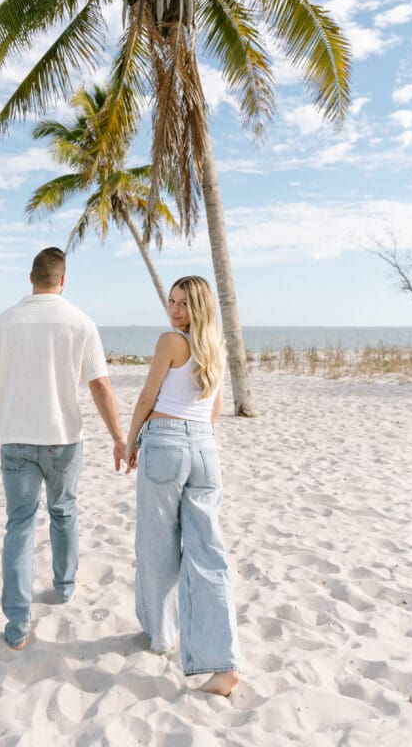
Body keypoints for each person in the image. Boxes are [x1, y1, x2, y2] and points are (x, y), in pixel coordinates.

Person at [0, 246, 126, 650]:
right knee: (64, 512)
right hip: (64, 439)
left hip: (17, 439)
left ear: (30, 277)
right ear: (63, 280)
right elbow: (100, 385)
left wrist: (4, 418)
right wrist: (118, 437)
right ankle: (64, 587)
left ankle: (18, 625)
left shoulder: (3, 322)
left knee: (20, 526)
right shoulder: (80, 322)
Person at [124, 275, 241, 696]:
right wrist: (195, 440)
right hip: (206, 451)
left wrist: (130, 441)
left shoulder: (171, 342)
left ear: (199, 307)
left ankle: (162, 636)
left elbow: (146, 398)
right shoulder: (216, 347)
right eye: (171, 302)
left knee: (158, 546)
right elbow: (216, 409)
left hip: (165, 445)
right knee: (208, 553)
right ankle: (223, 663)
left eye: (183, 304)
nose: (174, 311)